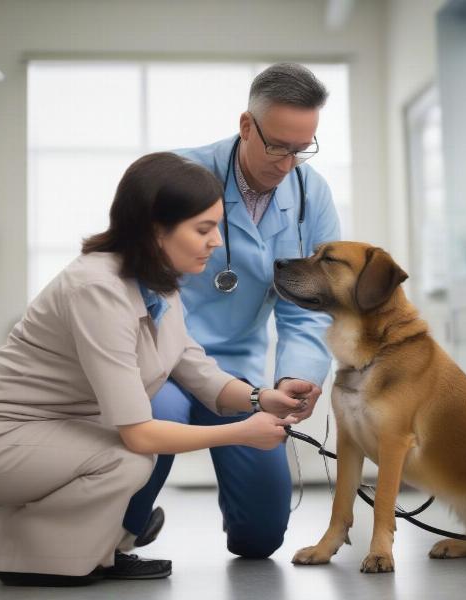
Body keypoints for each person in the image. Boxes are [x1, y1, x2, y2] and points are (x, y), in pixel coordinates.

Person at [0, 152, 303, 587]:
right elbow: (139, 432)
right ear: (157, 229)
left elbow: (193, 366)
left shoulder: (157, 280)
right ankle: (31, 553)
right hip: (5, 438)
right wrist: (241, 431)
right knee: (128, 458)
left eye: (217, 226)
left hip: (54, 430)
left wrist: (259, 398)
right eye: (203, 229)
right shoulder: (97, 288)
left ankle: (95, 546)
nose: (216, 242)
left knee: (130, 456)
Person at [123, 62, 341, 560]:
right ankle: (121, 532)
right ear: (246, 126)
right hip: (167, 361)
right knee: (156, 419)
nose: (289, 163)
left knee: (261, 539)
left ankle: (248, 523)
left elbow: (309, 305)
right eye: (277, 145)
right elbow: (142, 282)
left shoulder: (312, 194)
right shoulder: (178, 176)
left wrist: (296, 375)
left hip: (240, 371)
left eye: (301, 148)